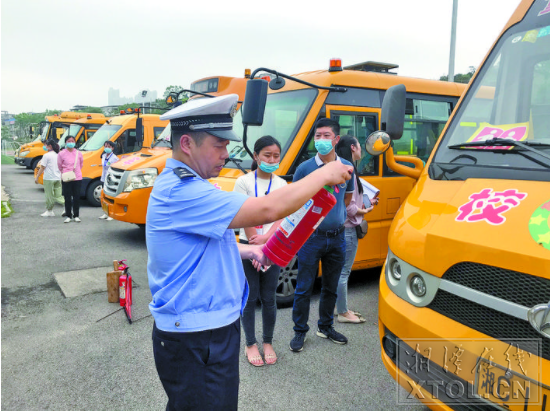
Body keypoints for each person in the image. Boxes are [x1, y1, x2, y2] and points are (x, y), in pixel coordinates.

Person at [146, 94, 352, 411]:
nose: (226, 154)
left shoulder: (191, 185)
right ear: (187, 143)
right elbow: (268, 208)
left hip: (207, 330)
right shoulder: (181, 190)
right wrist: (324, 174)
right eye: (218, 145)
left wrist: (249, 253)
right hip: (197, 336)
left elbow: (207, 247)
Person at [289, 118, 355, 353]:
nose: (321, 140)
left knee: (330, 286)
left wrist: (335, 217)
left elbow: (346, 199)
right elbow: (294, 200)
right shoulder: (305, 168)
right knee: (304, 286)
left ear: (336, 139)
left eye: (326, 136)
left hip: (337, 237)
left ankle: (325, 326)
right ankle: (299, 331)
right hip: (311, 237)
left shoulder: (347, 166)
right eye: (317, 136)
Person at [233, 135, 286, 367]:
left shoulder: (282, 184)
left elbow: (283, 215)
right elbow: (243, 214)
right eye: (267, 155)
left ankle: (267, 342)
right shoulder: (243, 182)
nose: (272, 159)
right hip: (248, 247)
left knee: (269, 298)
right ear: (256, 156)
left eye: (276, 155)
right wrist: (257, 248)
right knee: (249, 296)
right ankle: (250, 343)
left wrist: (267, 242)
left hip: (273, 247)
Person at [335, 135, 375, 323]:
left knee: (340, 271)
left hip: (343, 228)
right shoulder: (350, 171)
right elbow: (350, 208)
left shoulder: (343, 169)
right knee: (344, 272)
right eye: (359, 146)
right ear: (353, 147)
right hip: (349, 229)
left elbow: (350, 202)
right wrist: (364, 209)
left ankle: (341, 308)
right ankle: (343, 313)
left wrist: (367, 202)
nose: (361, 149)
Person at [57, 135, 84, 223]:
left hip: (77, 177)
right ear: (66, 142)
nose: (71, 143)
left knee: (76, 197)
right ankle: (68, 215)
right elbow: (59, 165)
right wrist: (65, 172)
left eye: (72, 141)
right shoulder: (61, 153)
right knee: (67, 197)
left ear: (75, 142)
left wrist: (75, 172)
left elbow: (81, 164)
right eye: (69, 141)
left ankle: (76, 215)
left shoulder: (78, 153)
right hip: (66, 177)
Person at [35, 139, 64, 216]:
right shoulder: (58, 155)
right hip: (57, 178)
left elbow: (42, 167)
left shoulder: (46, 156)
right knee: (58, 195)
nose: (44, 146)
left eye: (46, 145)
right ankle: (67, 207)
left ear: (50, 146)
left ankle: (49, 211)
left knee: (49, 195)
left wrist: (37, 177)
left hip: (48, 178)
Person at [98, 141, 119, 221]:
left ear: (112, 148)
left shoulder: (115, 158)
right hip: (104, 178)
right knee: (104, 196)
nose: (107, 148)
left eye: (109, 147)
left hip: (111, 179)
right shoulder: (103, 156)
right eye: (106, 146)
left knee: (110, 197)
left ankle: (111, 214)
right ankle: (105, 213)